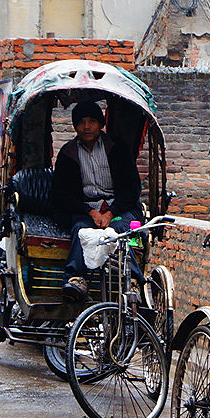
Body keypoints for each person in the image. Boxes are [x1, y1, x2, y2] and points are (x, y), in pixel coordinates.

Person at [50, 100, 142, 300]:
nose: (86, 127)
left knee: (120, 231)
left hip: (118, 208)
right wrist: (90, 212)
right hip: (86, 210)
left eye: (92, 121)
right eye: (81, 122)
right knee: (81, 230)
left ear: (101, 124)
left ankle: (133, 281)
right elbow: (62, 194)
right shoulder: (68, 154)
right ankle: (75, 278)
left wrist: (111, 212)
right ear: (75, 126)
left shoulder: (118, 148)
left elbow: (132, 188)